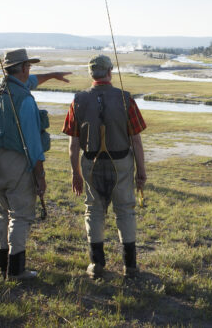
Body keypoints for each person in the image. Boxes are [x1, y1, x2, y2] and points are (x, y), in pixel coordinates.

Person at [0, 49, 70, 279]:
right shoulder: (24, 100)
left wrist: (52, 75)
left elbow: (31, 82)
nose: (30, 71)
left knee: (2, 213)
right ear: (23, 68)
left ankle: (2, 265)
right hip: (18, 163)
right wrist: (40, 176)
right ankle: (16, 270)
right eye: (28, 66)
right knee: (20, 216)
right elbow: (33, 144)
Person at [63, 54, 147, 278]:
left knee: (94, 210)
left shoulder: (78, 100)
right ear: (109, 72)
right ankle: (130, 266)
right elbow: (136, 140)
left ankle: (96, 264)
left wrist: (75, 173)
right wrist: (142, 171)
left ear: (91, 73)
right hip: (121, 163)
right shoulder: (126, 99)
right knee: (125, 210)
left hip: (90, 162)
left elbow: (73, 143)